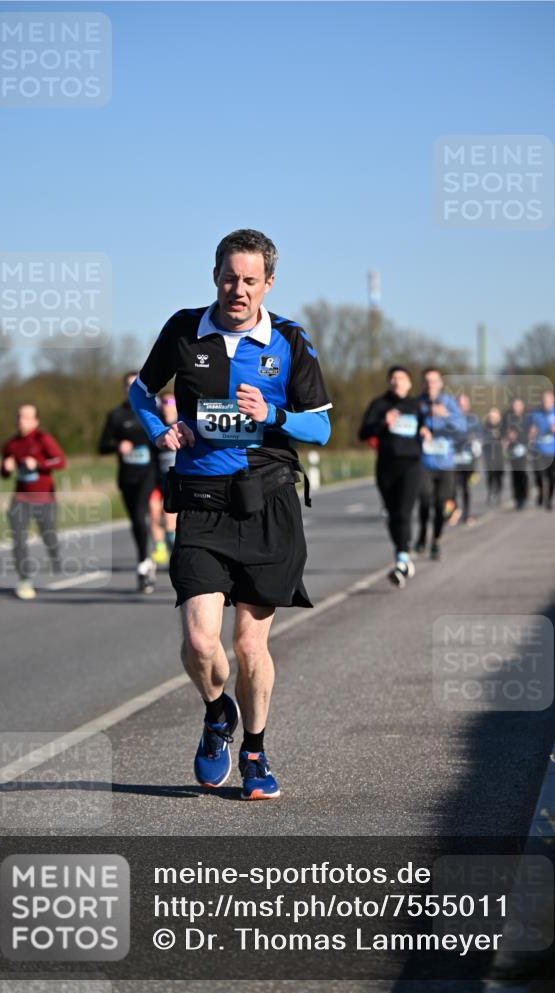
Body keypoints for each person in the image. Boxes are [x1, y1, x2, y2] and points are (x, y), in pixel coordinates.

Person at [128, 229, 331, 800]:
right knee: (198, 641)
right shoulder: (183, 328)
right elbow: (142, 393)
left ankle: (256, 750)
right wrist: (161, 428)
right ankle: (218, 713)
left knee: (248, 647)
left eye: (249, 280)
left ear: (268, 283)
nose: (236, 289)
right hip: (199, 499)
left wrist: (273, 412)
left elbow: (321, 425)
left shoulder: (289, 339)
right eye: (228, 276)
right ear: (213, 274)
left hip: (266, 502)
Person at [359, 365, 422, 587]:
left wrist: (428, 431)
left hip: (411, 466)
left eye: (401, 378)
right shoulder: (379, 405)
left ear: (409, 383)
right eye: (393, 378)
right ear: (389, 382)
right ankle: (402, 551)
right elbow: (363, 433)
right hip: (386, 466)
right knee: (392, 514)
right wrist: (382, 422)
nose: (397, 382)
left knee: (403, 512)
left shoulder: (417, 406)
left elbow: (430, 428)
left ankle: (402, 561)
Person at [0, 404, 66, 600]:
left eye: (27, 417)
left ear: (35, 421)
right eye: (20, 417)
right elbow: (3, 474)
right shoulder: (10, 445)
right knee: (18, 538)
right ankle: (24, 580)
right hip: (20, 498)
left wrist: (38, 463)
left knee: (49, 535)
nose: (22, 421)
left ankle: (55, 555)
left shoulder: (42, 439)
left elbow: (61, 461)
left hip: (44, 497)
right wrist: (6, 468)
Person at [99, 373, 158, 593]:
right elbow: (102, 446)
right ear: (124, 388)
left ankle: (143, 565)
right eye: (128, 385)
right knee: (135, 519)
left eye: (135, 384)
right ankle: (146, 558)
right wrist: (117, 447)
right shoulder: (115, 415)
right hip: (126, 476)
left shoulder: (151, 411)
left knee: (142, 513)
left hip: (148, 474)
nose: (131, 388)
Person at [416, 369, 465, 560]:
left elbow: (462, 427)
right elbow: (410, 423)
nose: (430, 385)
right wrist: (421, 429)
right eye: (427, 382)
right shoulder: (418, 403)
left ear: (440, 384)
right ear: (423, 384)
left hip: (446, 464)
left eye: (434, 381)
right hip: (424, 463)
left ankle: (435, 541)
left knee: (440, 505)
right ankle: (421, 534)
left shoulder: (449, 403)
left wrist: (444, 416)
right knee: (425, 500)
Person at [149, 392, 179, 563]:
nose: (167, 404)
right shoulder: (156, 427)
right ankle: (160, 548)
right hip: (158, 478)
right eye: (164, 402)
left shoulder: (183, 424)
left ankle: (172, 542)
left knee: (169, 516)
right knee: (154, 511)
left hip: (176, 480)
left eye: (171, 401)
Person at [528, 390, 555, 510]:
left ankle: (549, 500)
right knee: (539, 476)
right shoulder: (535, 414)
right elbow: (528, 430)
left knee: (551, 477)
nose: (546, 403)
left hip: (553, 451)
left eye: (549, 401)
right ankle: (540, 492)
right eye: (544, 401)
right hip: (538, 450)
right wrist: (531, 433)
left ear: (553, 401)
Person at [452, 392, 481, 525]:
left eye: (464, 404)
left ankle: (467, 514)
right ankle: (453, 511)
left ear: (468, 405)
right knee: (451, 487)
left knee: (465, 488)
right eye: (459, 404)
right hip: (453, 459)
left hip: (468, 459)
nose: (461, 407)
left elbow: (480, 435)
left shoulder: (473, 419)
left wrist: (477, 443)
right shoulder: (450, 418)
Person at [504, 397, 529, 509]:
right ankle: (517, 498)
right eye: (515, 405)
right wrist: (508, 436)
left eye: (519, 405)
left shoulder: (526, 418)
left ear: (522, 406)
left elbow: (531, 432)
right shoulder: (507, 417)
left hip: (523, 449)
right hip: (512, 450)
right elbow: (503, 431)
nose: (516, 407)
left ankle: (524, 496)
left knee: (522, 473)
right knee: (514, 474)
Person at [482, 406, 505, 506]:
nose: (493, 415)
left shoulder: (502, 426)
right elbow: (482, 438)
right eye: (491, 413)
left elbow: (505, 438)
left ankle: (498, 493)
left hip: (499, 454)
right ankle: (490, 492)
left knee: (499, 475)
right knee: (490, 475)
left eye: (495, 413)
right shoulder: (486, 426)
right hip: (489, 454)